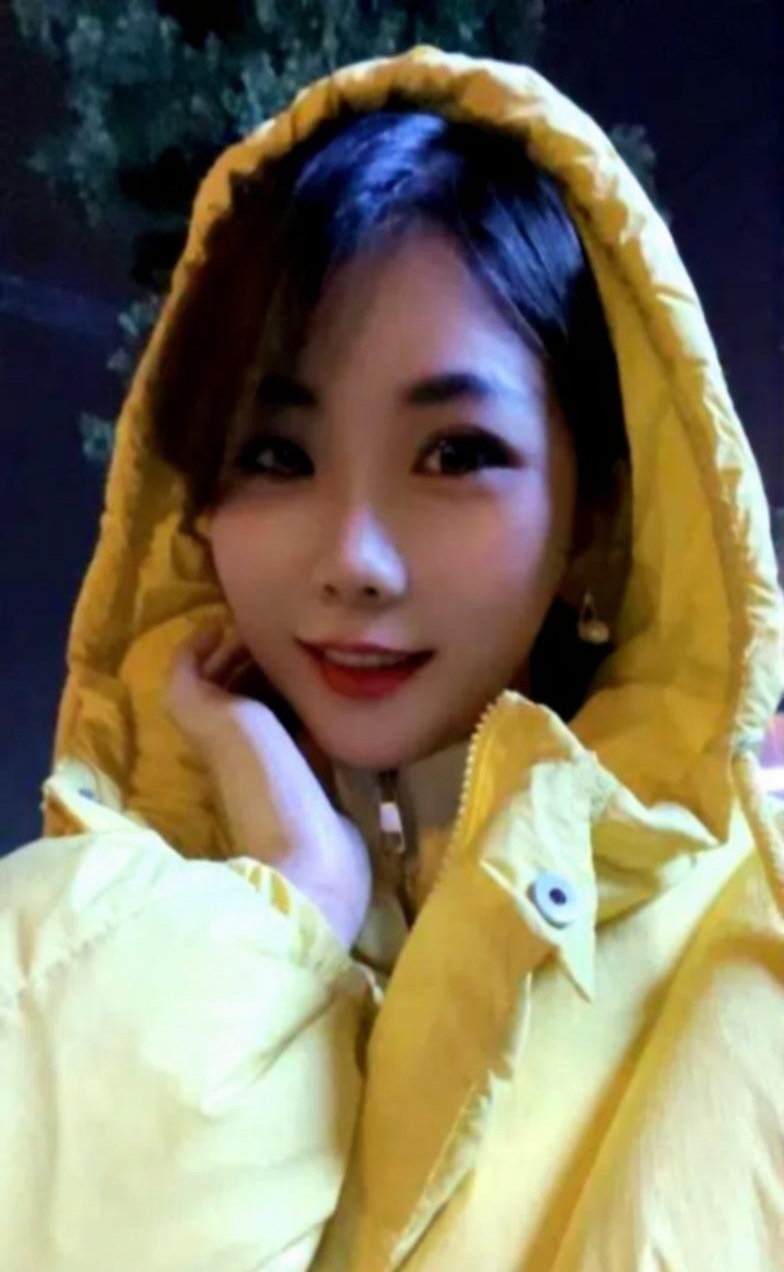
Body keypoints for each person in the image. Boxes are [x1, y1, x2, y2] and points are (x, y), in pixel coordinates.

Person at [1, 44, 783, 1272]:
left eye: (455, 454)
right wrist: (293, 898)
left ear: (593, 514)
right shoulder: (89, 921)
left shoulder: (751, 938)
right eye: (275, 455)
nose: (353, 559)